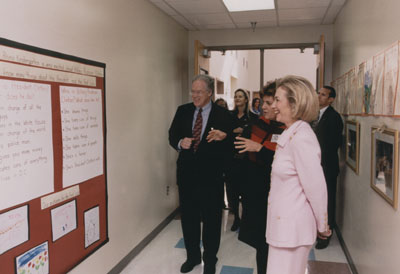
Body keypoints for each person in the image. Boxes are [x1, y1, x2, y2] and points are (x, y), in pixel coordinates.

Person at [266, 75, 331, 274]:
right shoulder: (290, 132)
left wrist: (323, 225)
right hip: (284, 227)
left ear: (294, 104)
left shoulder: (302, 137)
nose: (273, 105)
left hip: (293, 230)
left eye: (278, 99)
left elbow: (316, 187)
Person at [168, 74, 233, 274]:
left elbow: (232, 147)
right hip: (187, 176)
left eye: (199, 92)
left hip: (212, 178)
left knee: (212, 220)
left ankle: (210, 259)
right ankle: (193, 257)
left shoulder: (223, 115)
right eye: (193, 91)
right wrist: (180, 143)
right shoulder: (183, 111)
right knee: (189, 218)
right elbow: (172, 135)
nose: (194, 95)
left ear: (209, 93)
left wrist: (225, 137)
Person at [233, 81, 285, 274]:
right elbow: (239, 148)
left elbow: (286, 163)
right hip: (255, 195)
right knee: (261, 245)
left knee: (277, 246)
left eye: (269, 102)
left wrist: (261, 150)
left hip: (277, 197)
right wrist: (225, 138)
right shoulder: (255, 125)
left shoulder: (289, 130)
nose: (263, 106)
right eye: (263, 102)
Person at [314, 85, 343, 249]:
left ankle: (325, 234)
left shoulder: (334, 117)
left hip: (327, 167)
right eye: (319, 93)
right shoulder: (317, 115)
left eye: (323, 95)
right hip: (318, 166)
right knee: (319, 200)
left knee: (327, 201)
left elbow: (332, 145)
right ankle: (318, 230)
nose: (319, 96)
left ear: (331, 99)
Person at [226, 89, 255, 231]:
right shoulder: (229, 116)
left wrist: (243, 131)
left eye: (240, 96)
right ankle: (236, 218)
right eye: (235, 96)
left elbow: (255, 137)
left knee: (246, 192)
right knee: (232, 191)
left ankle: (246, 220)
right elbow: (224, 134)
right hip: (231, 161)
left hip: (247, 161)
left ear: (246, 99)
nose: (237, 99)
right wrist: (232, 131)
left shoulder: (253, 118)